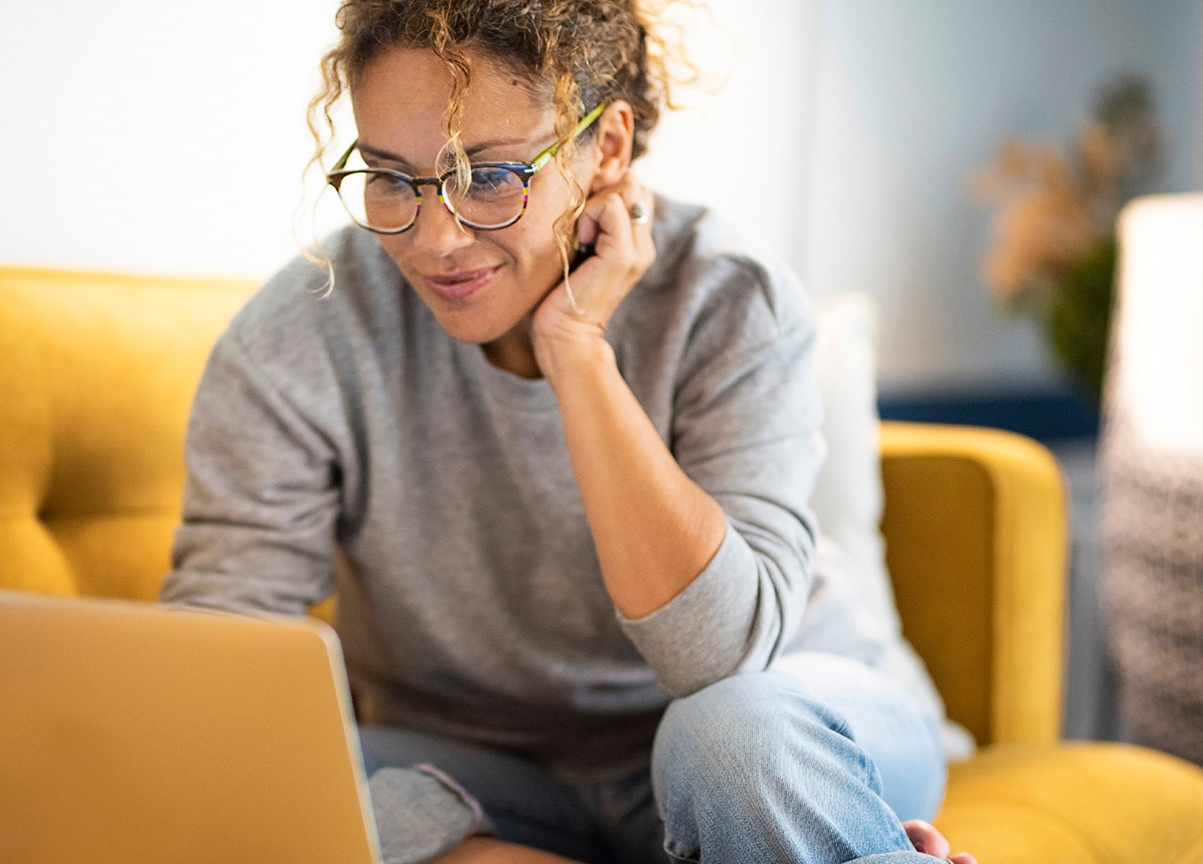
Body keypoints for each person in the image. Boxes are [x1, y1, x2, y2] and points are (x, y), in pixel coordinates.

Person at [163, 1, 977, 862]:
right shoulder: (301, 333)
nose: (436, 238)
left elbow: (722, 658)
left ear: (609, 148)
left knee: (733, 739)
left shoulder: (729, 300)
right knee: (272, 784)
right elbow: (225, 656)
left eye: (489, 175)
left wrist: (577, 351)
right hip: (485, 768)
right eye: (392, 177)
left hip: (774, 719)